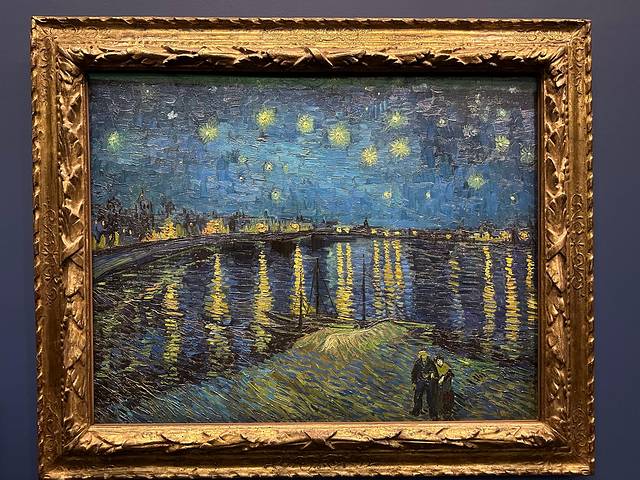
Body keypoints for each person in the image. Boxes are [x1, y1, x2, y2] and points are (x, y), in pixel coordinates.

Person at [411, 350, 437, 417]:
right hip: (420, 381)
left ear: (426, 355)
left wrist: (431, 374)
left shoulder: (431, 362)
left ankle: (433, 414)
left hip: (429, 382)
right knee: (417, 397)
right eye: (422, 355)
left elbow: (435, 371)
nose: (423, 357)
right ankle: (416, 411)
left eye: (424, 355)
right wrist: (414, 382)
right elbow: (414, 373)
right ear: (420, 356)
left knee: (431, 398)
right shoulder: (417, 363)